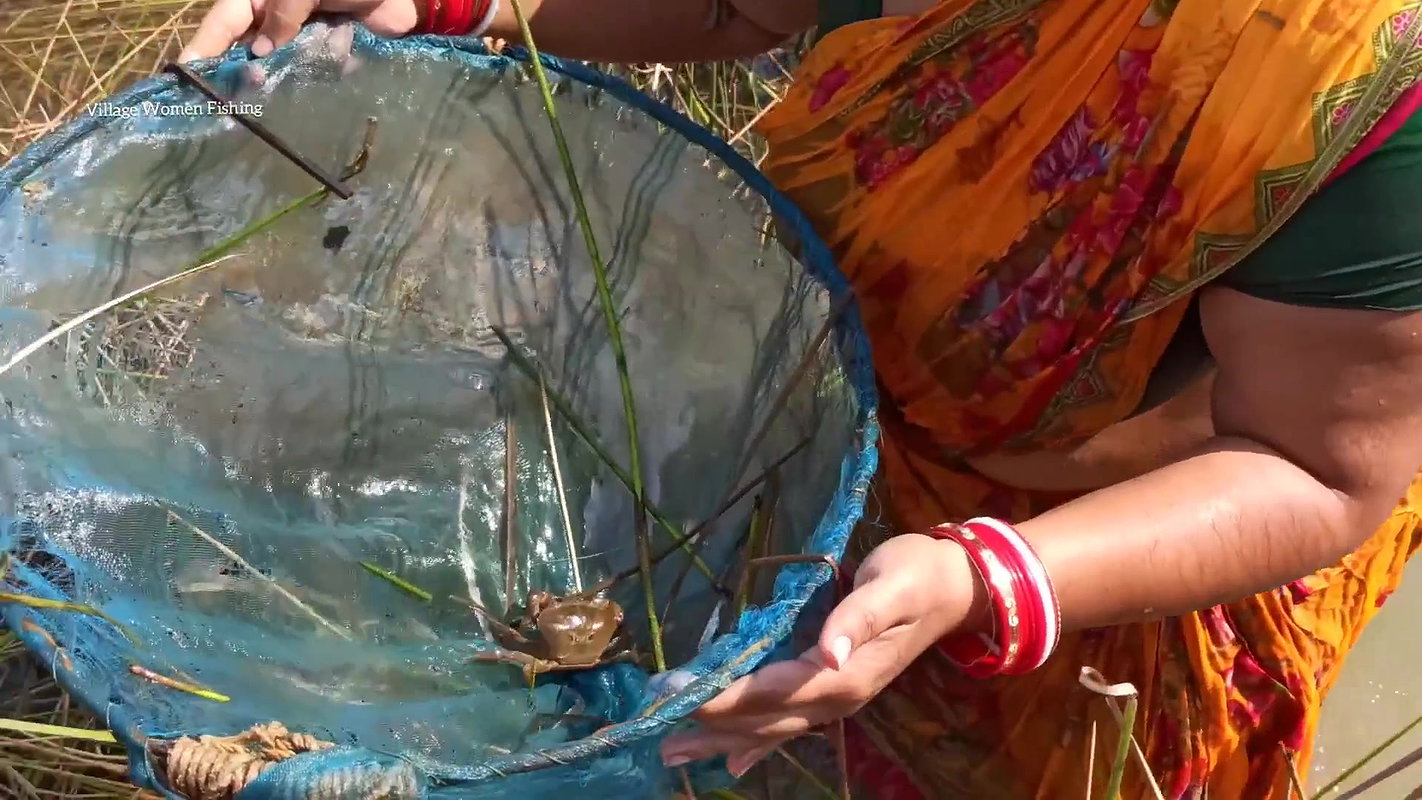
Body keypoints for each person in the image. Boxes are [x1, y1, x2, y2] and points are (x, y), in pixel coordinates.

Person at [180, 1, 1422, 797]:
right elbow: (743, 7)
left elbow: (1317, 468)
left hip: (1081, 555)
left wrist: (983, 579)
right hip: (796, 401)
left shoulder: (1352, 70)